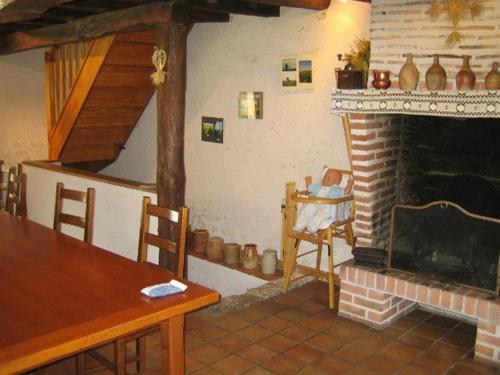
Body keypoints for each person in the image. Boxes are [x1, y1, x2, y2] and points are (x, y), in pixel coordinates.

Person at [293, 167, 353, 233]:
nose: (325, 179)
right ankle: (298, 226)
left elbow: (345, 192)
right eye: (325, 177)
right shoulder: (319, 187)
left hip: (327, 207)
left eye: (328, 178)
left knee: (320, 215)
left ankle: (312, 227)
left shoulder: (336, 189)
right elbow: (310, 188)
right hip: (315, 204)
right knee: (306, 210)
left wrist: (349, 185)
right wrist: (308, 182)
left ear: (336, 182)